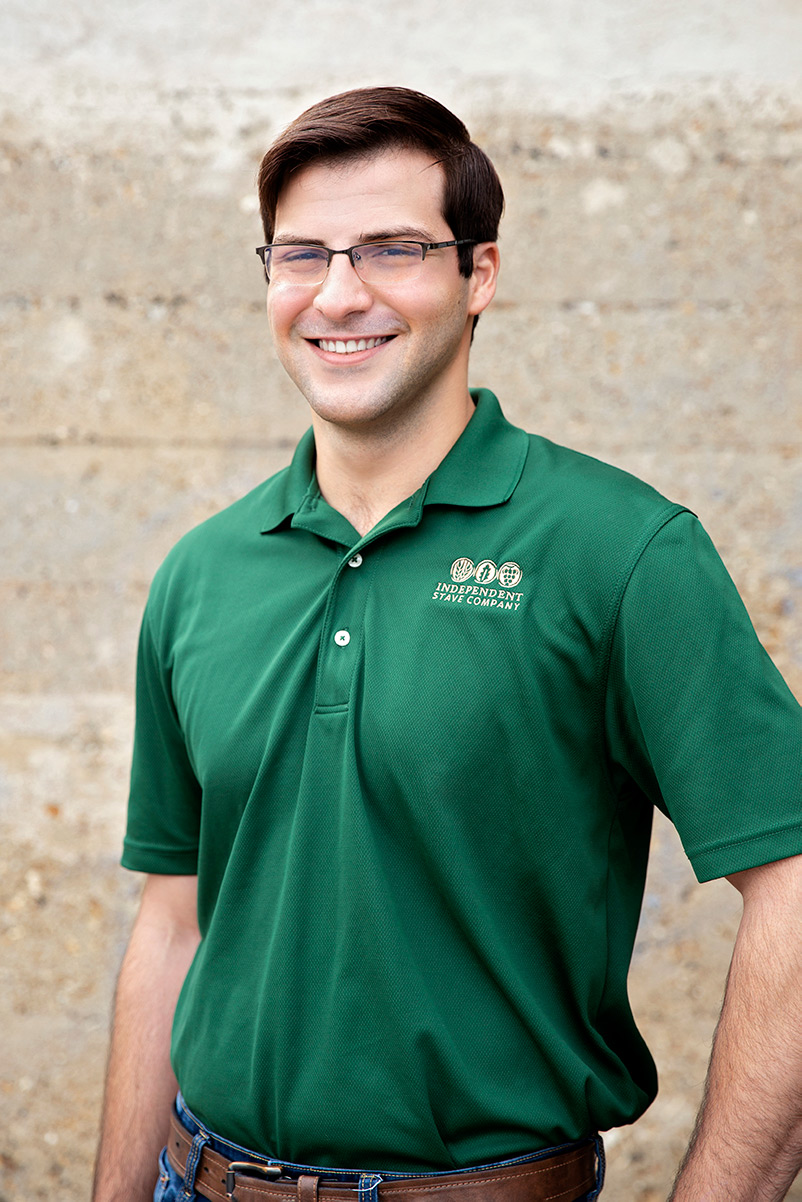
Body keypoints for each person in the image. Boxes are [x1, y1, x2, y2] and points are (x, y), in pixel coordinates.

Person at [92, 86, 802, 1202]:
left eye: (394, 249)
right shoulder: (202, 572)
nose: (339, 293)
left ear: (479, 274)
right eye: (303, 254)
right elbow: (173, 923)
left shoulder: (619, 551)